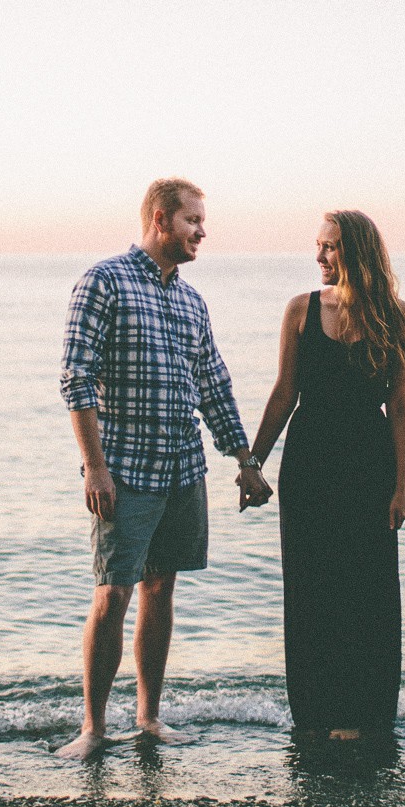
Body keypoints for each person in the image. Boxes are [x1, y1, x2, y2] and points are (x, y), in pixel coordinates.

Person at [55, 178, 270, 760]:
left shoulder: (192, 300)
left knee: (161, 587)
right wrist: (95, 469)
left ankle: (148, 717)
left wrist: (245, 460)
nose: (202, 232)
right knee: (113, 594)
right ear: (160, 218)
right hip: (124, 470)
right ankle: (93, 728)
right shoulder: (104, 282)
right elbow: (76, 380)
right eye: (193, 221)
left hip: (182, 469)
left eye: (202, 222)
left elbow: (214, 386)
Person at [241, 210, 405, 741]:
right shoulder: (301, 309)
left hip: (369, 462)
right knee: (312, 587)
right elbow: (283, 393)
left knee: (369, 590)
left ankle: (367, 715)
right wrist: (253, 463)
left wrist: (402, 486)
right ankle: (316, 715)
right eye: (318, 246)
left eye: (331, 247)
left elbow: (402, 404)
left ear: (358, 252)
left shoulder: (400, 317)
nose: (319, 257)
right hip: (310, 463)